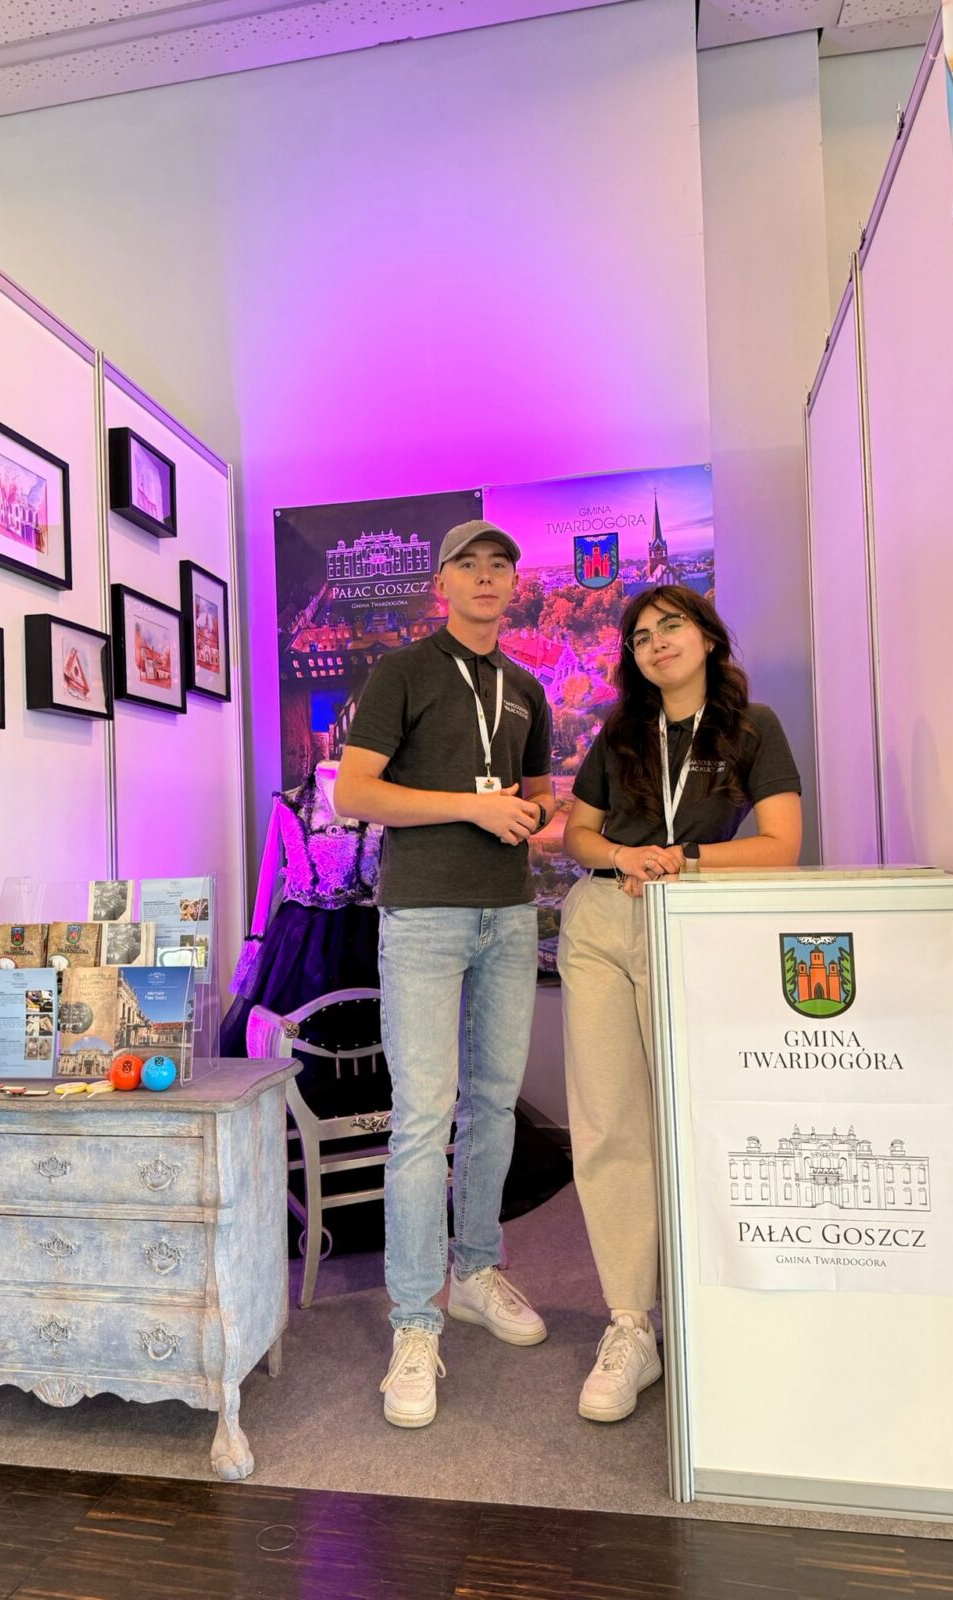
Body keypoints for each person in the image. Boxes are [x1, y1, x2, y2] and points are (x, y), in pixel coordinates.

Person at [559, 584, 801, 1423]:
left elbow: (781, 845)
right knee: (608, 1122)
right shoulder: (619, 734)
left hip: (693, 918)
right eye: (640, 636)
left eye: (671, 627)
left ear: (707, 638)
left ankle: (714, 1302)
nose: (656, 643)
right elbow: (577, 835)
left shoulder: (752, 727)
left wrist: (681, 859)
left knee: (702, 1116)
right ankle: (631, 1323)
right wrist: (625, 856)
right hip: (602, 918)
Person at [334, 519, 555, 1428]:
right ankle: (414, 1322)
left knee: (494, 1105)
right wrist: (472, 807)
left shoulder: (526, 687)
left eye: (500, 565)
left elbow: (538, 794)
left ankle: (475, 1272)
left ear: (513, 584)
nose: (487, 577)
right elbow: (355, 792)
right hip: (424, 916)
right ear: (442, 583)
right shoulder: (403, 671)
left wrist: (539, 814)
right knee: (424, 1118)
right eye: (469, 564)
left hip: (509, 914)